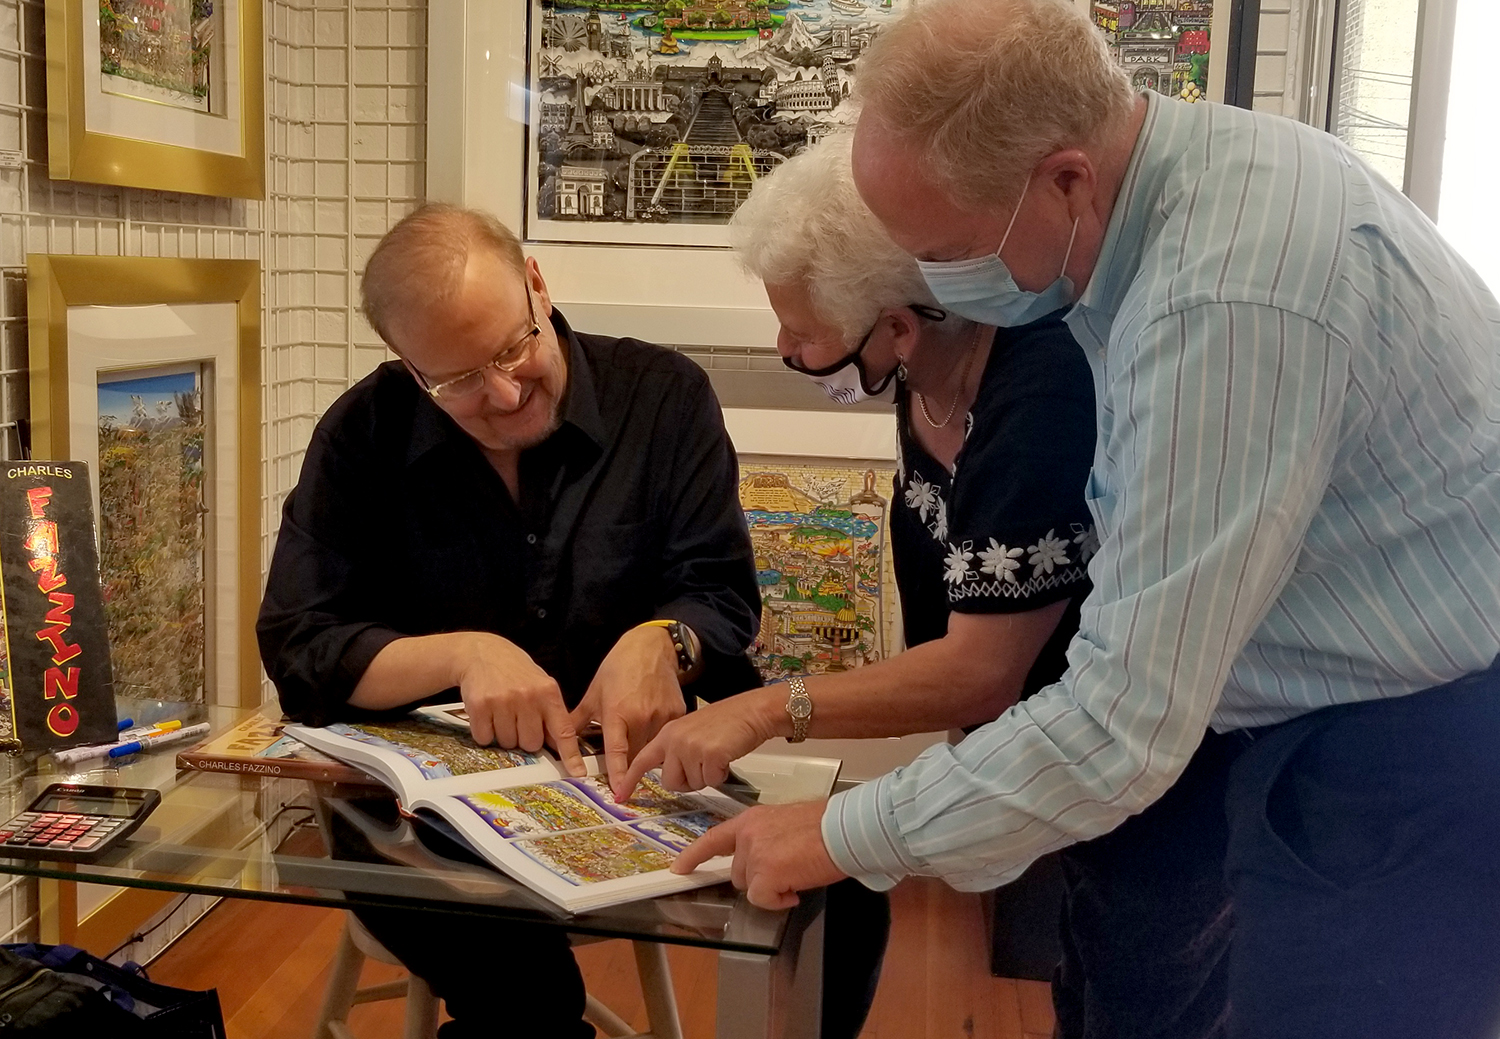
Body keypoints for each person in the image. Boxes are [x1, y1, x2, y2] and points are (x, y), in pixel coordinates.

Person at [674, 2, 1500, 1038]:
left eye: (944, 250)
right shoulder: (1175, 195)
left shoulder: (1220, 303)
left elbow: (1122, 720)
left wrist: (849, 830)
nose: (935, 290)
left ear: (1063, 177)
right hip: (1311, 697)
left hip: (1408, 733)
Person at [631, 134, 1242, 1039]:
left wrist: (766, 708)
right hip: (1066, 757)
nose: (786, 347)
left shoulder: (1041, 391)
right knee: (1089, 969)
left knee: (1140, 994)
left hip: (1166, 755)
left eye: (802, 334)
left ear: (899, 326)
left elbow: (981, 668)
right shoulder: (921, 377)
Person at [257, 203, 762, 1039]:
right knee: (524, 995)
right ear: (406, 363)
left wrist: (662, 642)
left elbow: (721, 596)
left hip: (621, 784)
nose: (501, 392)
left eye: (512, 348)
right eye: (456, 381)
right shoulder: (363, 436)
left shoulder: (664, 401)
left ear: (536, 284)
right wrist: (461, 655)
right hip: (410, 817)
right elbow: (301, 644)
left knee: (832, 908)